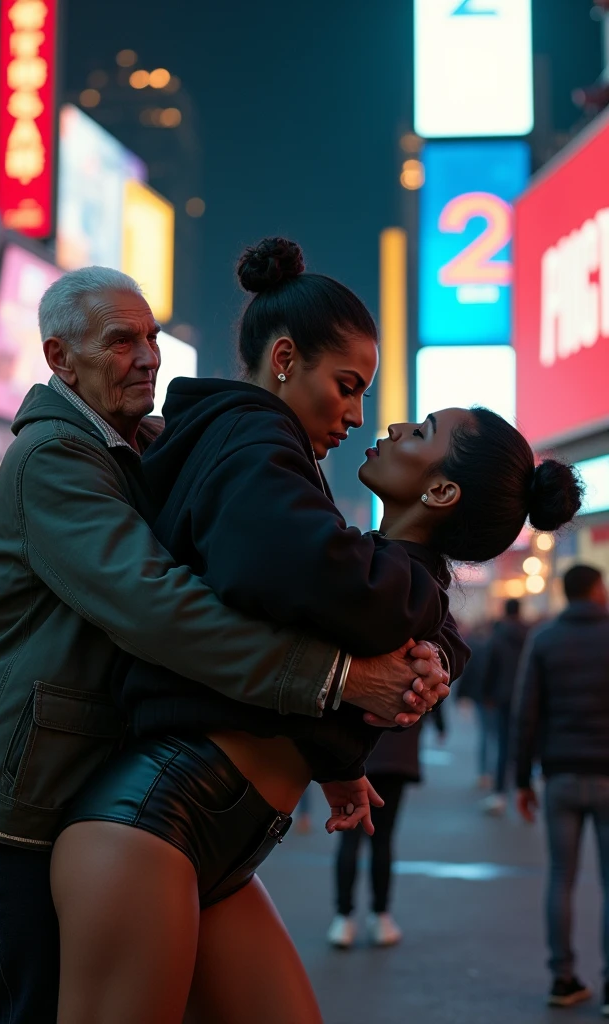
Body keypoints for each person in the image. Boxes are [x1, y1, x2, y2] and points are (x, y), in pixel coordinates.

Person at [51, 238, 582, 1024]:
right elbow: (297, 575)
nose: (368, 416)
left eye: (411, 422)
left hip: (214, 838)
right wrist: (423, 644)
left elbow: (327, 613)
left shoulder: (284, 469)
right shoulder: (255, 442)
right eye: (348, 386)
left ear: (439, 490)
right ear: (286, 357)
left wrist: (427, 654)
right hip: (155, 820)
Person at [0, 266, 448, 1024]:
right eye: (119, 342)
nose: (147, 357)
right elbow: (163, 612)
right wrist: (342, 679)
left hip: (103, 792)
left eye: (150, 338)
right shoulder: (53, 460)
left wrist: (337, 750)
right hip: (15, 803)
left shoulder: (147, 447)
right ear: (58, 359)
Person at [514, 564, 609, 1012]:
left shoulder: (545, 640)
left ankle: (562, 978)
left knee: (561, 881)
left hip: (560, 777)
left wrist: (520, 781)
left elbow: (525, 715)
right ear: (596, 590)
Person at [327, 720, 424, 949]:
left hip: (354, 752)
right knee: (383, 838)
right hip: (397, 754)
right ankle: (380, 915)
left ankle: (343, 917)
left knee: (349, 836)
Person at [480, 598, 529, 815]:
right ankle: (525, 787)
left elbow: (489, 667)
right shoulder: (531, 635)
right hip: (527, 697)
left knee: (502, 744)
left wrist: (487, 694)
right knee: (525, 742)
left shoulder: (498, 636)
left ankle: (500, 792)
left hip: (502, 697)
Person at [456, 621, 497, 788]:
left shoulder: (480, 647)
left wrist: (462, 695)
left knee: (487, 735)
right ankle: (496, 773)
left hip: (485, 698)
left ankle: (485, 774)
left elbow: (471, 673)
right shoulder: (520, 642)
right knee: (498, 737)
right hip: (500, 698)